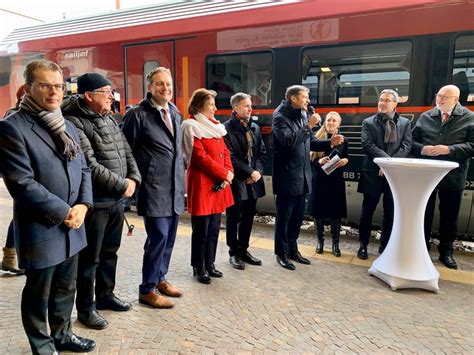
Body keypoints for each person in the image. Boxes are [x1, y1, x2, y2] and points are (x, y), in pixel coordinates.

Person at [0, 59, 95, 353]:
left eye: (59, 86)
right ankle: (42, 344)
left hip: (73, 224)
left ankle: (63, 334)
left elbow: (84, 169)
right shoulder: (12, 127)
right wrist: (63, 211)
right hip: (43, 225)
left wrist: (83, 205)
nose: (54, 92)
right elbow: (21, 183)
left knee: (67, 287)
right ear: (28, 87)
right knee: (38, 292)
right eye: (45, 85)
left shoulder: (66, 123)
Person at [62, 73, 141, 329]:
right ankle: (86, 308)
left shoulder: (108, 118)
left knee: (110, 253)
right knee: (90, 259)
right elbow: (89, 164)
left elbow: (126, 150)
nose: (111, 96)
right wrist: (122, 185)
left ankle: (105, 296)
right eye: (105, 91)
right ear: (89, 95)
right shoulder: (74, 121)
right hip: (95, 203)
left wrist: (134, 178)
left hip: (116, 202)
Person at [122, 67, 185, 308]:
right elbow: (125, 150)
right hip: (154, 186)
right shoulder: (137, 115)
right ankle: (147, 289)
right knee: (157, 237)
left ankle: (160, 278)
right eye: (159, 84)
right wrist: (134, 181)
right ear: (150, 87)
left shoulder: (175, 112)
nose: (165, 88)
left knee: (169, 238)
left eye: (168, 84)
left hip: (174, 186)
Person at [272, 85, 344, 270]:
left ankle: (293, 250)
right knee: (284, 218)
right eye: (304, 97)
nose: (308, 100)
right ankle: (281, 253)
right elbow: (288, 141)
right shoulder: (280, 117)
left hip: (303, 175)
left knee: (297, 217)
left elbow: (310, 141)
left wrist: (330, 143)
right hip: (287, 176)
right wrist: (309, 125)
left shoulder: (302, 114)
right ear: (293, 98)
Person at [411, 84, 474, 269]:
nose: (439, 99)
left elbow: (472, 146)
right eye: (438, 95)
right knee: (424, 213)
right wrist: (421, 149)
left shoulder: (469, 118)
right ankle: (422, 249)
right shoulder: (426, 116)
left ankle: (446, 252)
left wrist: (449, 150)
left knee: (449, 217)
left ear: (456, 99)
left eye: (445, 97)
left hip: (453, 177)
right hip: (426, 175)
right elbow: (411, 141)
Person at [182, 88, 234, 284]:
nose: (215, 108)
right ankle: (198, 266)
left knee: (213, 228)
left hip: (219, 184)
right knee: (201, 229)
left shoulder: (216, 127)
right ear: (199, 106)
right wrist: (223, 174)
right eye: (211, 104)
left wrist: (229, 173)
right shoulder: (190, 126)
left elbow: (225, 152)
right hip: (204, 184)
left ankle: (210, 263)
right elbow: (199, 157)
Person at [357, 89, 412, 260]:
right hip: (373, 173)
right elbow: (368, 145)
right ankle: (363, 246)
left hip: (394, 174)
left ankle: (385, 247)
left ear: (396, 104)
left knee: (390, 211)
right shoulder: (368, 122)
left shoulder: (404, 123)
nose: (382, 103)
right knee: (367, 211)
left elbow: (407, 145)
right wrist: (386, 163)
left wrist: (390, 166)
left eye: (387, 100)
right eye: (381, 100)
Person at [223, 92, 266, 270]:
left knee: (248, 218)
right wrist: (249, 172)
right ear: (236, 108)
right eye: (246, 106)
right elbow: (230, 158)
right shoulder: (226, 129)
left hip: (253, 181)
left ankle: (244, 250)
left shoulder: (254, 128)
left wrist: (258, 173)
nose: (250, 109)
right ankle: (234, 252)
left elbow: (262, 154)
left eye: (250, 106)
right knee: (234, 218)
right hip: (238, 181)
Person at [307, 111, 349, 257]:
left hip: (336, 181)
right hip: (319, 179)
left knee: (335, 214)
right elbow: (310, 159)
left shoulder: (344, 140)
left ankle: (335, 244)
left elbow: (346, 157)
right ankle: (320, 241)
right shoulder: (317, 137)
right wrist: (319, 161)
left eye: (334, 121)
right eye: (328, 120)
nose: (330, 123)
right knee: (318, 213)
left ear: (339, 124)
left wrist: (345, 161)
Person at [1, 84, 26, 275]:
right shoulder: (13, 116)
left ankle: (11, 256)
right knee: (22, 211)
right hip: (19, 173)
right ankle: (10, 256)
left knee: (23, 212)